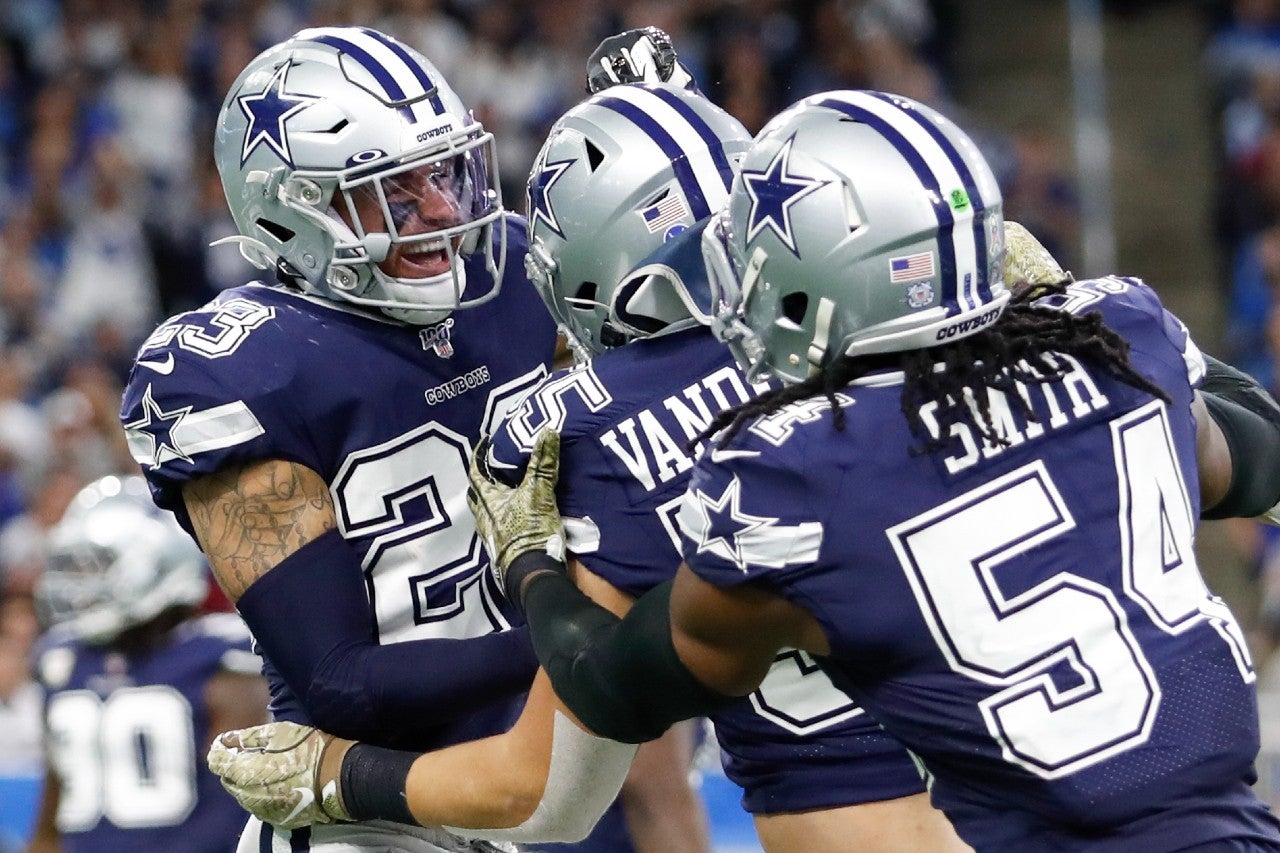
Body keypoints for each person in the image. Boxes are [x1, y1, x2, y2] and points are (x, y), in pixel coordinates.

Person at [210, 90, 1280, 851]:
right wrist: (1050, 306)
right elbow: (1249, 446)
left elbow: (565, 762)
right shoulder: (1104, 342)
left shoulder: (762, 465)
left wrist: (345, 769)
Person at [118, 25, 562, 853]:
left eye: (443, 172)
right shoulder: (241, 370)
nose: (439, 209)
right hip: (362, 819)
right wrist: (585, 634)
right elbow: (340, 681)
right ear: (293, 213)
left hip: (529, 785)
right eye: (392, 192)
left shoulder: (513, 276)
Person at [492, 81, 965, 851]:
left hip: (842, 809)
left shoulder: (595, 422)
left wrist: (527, 565)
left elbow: (576, 751)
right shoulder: (904, 320)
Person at [27, 474, 268, 853]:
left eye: (96, 566)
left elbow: (238, 812)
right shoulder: (62, 660)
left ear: (158, 561)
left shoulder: (225, 661)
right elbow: (54, 812)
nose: (77, 586)